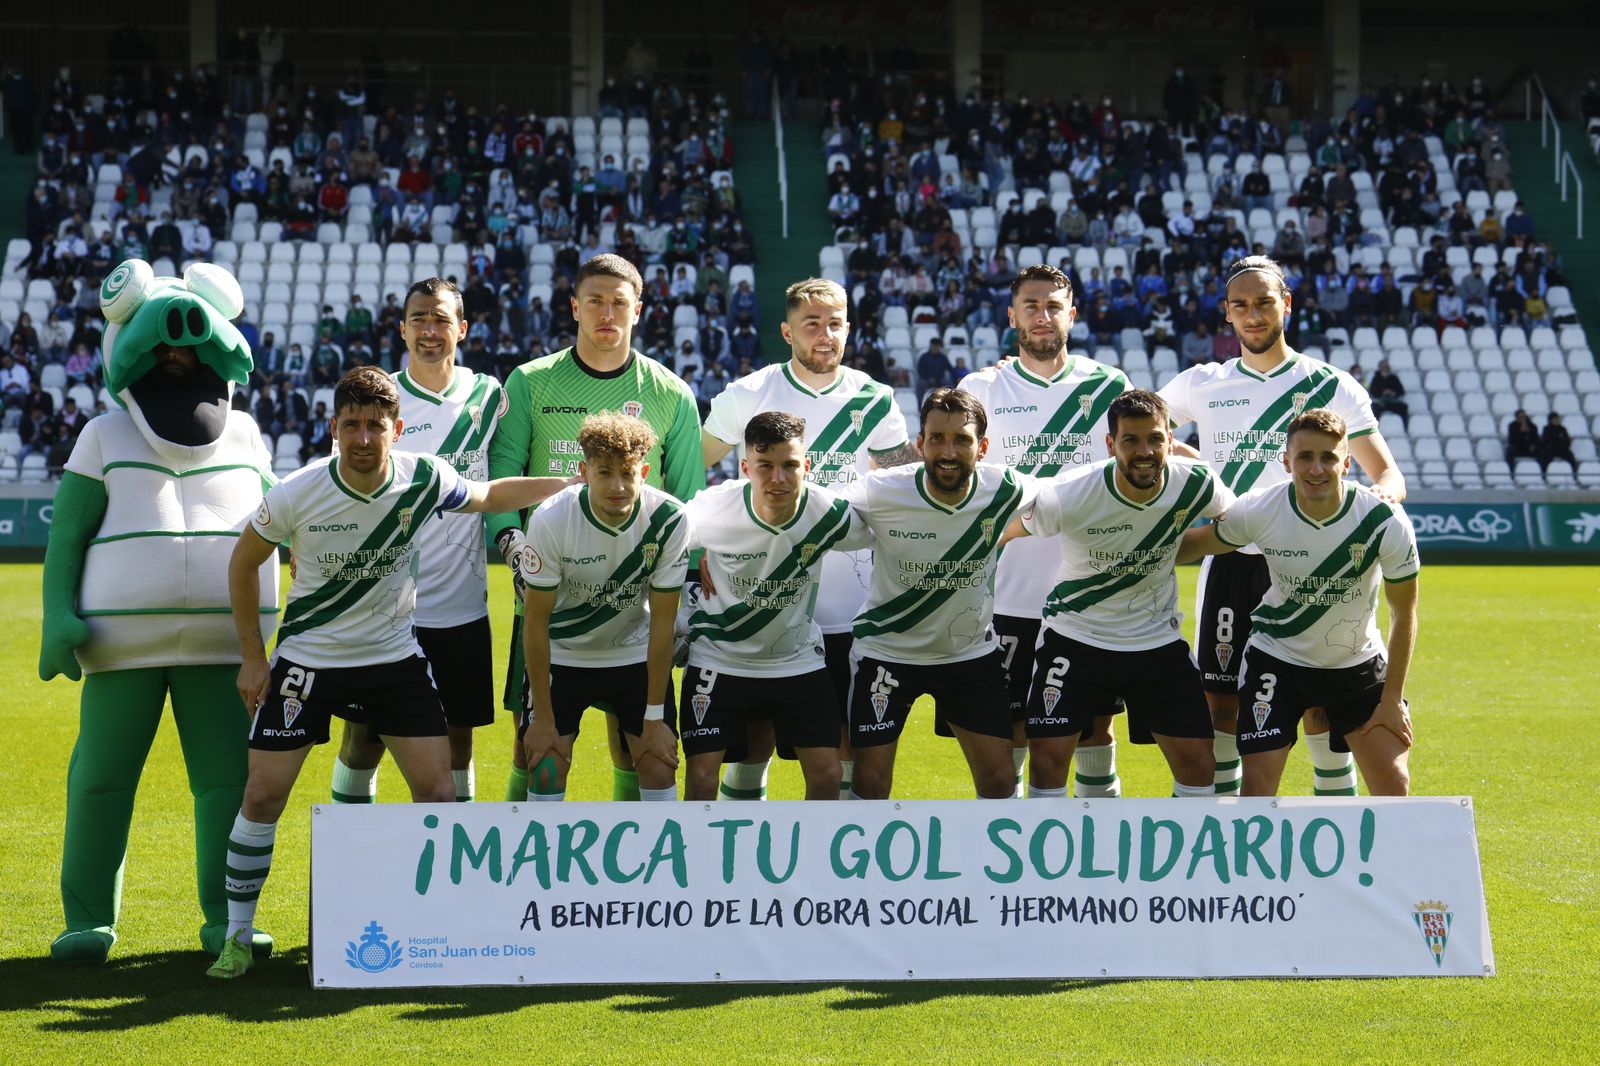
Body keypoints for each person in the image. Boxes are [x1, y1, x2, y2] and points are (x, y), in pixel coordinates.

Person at [210, 367, 567, 979]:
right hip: (308, 662)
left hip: (393, 660)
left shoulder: (421, 477)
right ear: (333, 430)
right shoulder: (298, 492)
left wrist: (564, 482)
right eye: (352, 425)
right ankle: (237, 936)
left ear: (397, 430)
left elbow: (488, 497)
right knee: (263, 795)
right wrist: (253, 655)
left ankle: (450, 922)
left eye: (376, 425)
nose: (364, 438)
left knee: (438, 792)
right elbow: (243, 565)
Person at [1159, 255, 1404, 798]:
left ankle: (1331, 831)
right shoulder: (1203, 383)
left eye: (1264, 302)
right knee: (1220, 701)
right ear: (1226, 313)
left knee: (1319, 705)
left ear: (1285, 305)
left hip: (1311, 565)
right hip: (1231, 561)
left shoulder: (1330, 385)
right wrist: (1186, 457)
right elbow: (1134, 428)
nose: (1253, 314)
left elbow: (1386, 470)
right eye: (1240, 305)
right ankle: (1223, 836)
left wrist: (1381, 498)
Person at [488, 253, 705, 803]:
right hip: (545, 586)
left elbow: (687, 496)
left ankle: (627, 878)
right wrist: (513, 543)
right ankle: (519, 866)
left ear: (639, 310)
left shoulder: (670, 392)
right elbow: (502, 473)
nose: (607, 313)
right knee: (530, 746)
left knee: (634, 742)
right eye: (595, 301)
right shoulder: (531, 382)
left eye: (619, 302)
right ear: (574, 307)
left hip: (635, 601)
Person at [700, 278, 915, 800]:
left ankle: (832, 864)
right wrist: (698, 549)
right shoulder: (747, 395)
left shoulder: (874, 398)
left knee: (839, 743)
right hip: (763, 596)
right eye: (812, 324)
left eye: (835, 323)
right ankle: (738, 864)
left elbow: (902, 484)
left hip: (850, 601)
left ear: (849, 328)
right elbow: (688, 472)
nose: (825, 334)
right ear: (787, 331)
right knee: (755, 742)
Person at [328, 279, 507, 807]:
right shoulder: (380, 400)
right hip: (385, 606)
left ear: (462, 328)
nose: (430, 331)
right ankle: (350, 846)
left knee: (458, 739)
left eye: (442, 319)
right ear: (403, 328)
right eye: (420, 319)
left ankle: (454, 863)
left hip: (461, 609)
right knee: (365, 739)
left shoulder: (489, 395)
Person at [1178, 407, 1419, 797]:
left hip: (1356, 666)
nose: (1316, 469)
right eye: (1305, 457)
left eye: (1328, 457)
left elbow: (1404, 614)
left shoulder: (1384, 521)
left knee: (1395, 786)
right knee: (1257, 793)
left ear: (1347, 463)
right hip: (1278, 662)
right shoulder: (1261, 508)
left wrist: (1391, 700)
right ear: (1286, 461)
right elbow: (1195, 546)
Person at [1002, 389, 1229, 799]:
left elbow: (1239, 526)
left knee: (1199, 764)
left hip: (1155, 640)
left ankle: (1183, 862)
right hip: (1076, 638)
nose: (1145, 451)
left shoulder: (1195, 483)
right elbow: (1005, 532)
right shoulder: (1069, 492)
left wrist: (1169, 550)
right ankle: (1047, 862)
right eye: (1131, 440)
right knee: (1049, 762)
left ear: (1170, 441)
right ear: (1111, 444)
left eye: (1156, 439)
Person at [958, 264, 1130, 798]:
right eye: (1030, 305)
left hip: (1090, 593)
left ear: (1071, 315)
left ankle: (1098, 849)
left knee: (1094, 728)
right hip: (1007, 591)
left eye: (1053, 306)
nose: (1042, 315)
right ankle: (1014, 859)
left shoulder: (1108, 386)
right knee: (1011, 729)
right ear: (1012, 316)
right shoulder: (980, 387)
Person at [844, 387, 1036, 800]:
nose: (948, 452)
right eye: (937, 439)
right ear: (920, 444)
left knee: (1001, 781)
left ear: (982, 447)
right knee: (871, 782)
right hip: (887, 653)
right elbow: (807, 511)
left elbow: (1070, 499)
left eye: (962, 440)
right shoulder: (880, 489)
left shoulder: (1006, 488)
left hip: (967, 655)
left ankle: (998, 864)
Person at [681, 412, 872, 801]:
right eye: (765, 466)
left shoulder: (830, 513)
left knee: (827, 774)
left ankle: (815, 861)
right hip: (719, 660)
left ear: (808, 465)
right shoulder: (712, 509)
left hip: (796, 661)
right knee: (701, 780)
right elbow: (660, 538)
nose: (778, 479)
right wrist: (693, 562)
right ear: (746, 466)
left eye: (790, 466)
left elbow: (891, 534)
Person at [516, 413, 689, 804]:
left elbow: (663, 625)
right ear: (583, 470)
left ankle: (653, 862)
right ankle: (541, 862)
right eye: (605, 472)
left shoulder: (669, 519)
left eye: (628, 473)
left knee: (659, 765)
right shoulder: (550, 519)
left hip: (634, 654)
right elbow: (536, 625)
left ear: (645, 471)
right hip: (564, 656)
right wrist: (542, 718)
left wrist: (655, 717)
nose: (617, 486)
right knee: (544, 767)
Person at [1367, 359, 1409, 428]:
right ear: (1380, 367)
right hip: (1381, 402)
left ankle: (1405, 428)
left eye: (1387, 366)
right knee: (1374, 408)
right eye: (1384, 366)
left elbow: (1401, 391)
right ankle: (1374, 429)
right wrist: (1382, 392)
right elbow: (1372, 391)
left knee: (1403, 407)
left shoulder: (1394, 378)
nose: (1386, 368)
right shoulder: (1376, 378)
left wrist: (1393, 393)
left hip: (1392, 402)